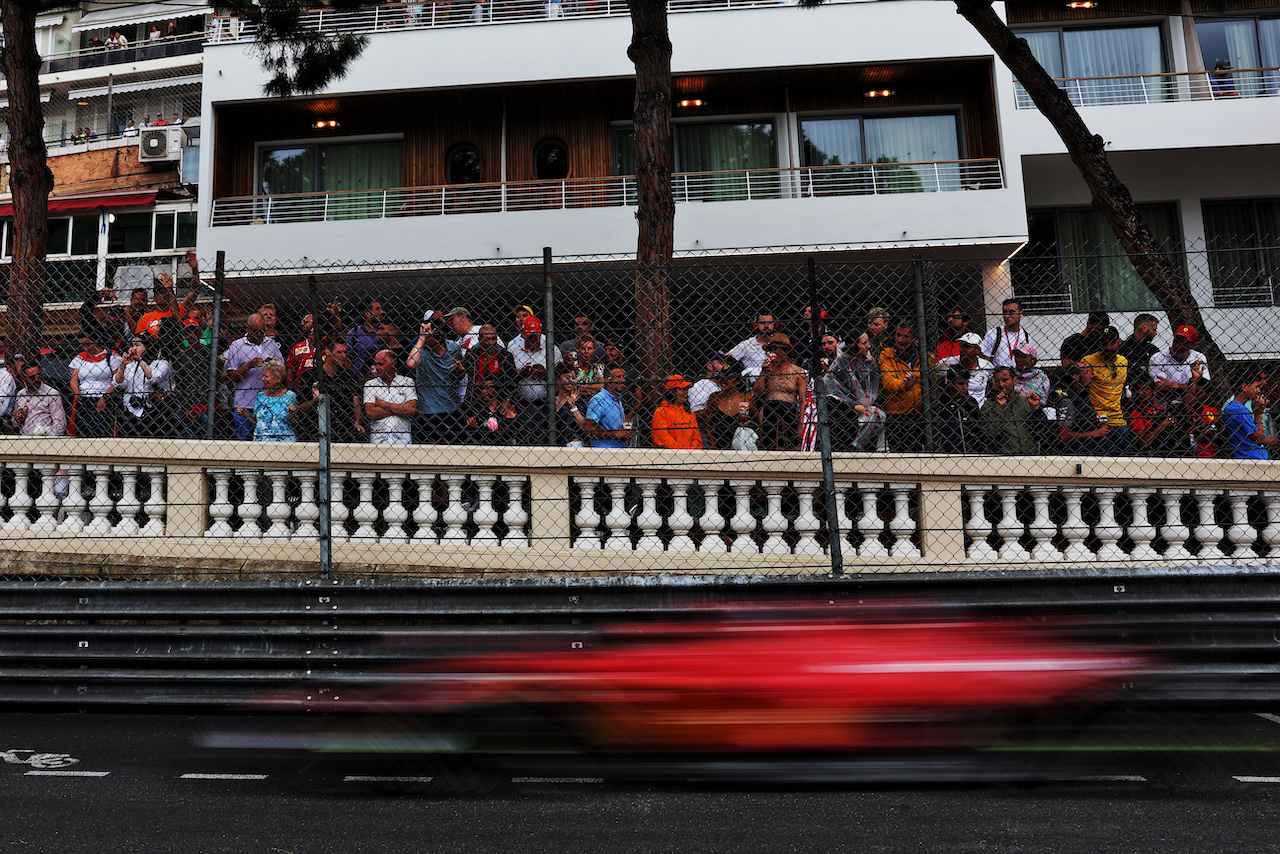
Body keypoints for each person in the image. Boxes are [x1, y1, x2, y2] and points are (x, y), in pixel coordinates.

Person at [222, 313, 285, 440]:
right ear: (247, 328)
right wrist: (249, 365)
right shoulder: (236, 345)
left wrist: (273, 365)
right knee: (243, 442)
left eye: (263, 330)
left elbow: (283, 371)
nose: (260, 334)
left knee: (269, 438)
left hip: (269, 402)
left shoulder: (271, 344)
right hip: (244, 403)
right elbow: (232, 376)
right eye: (256, 331)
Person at [407, 310, 465, 444]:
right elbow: (410, 363)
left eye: (429, 336)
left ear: (438, 338)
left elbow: (459, 375)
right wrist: (422, 338)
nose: (425, 338)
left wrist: (461, 370)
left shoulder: (454, 348)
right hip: (428, 410)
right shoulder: (421, 350)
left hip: (451, 406)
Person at [821, 333, 883, 451]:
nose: (869, 346)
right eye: (864, 343)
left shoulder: (869, 362)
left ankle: (860, 445)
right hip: (843, 413)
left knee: (876, 415)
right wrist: (853, 406)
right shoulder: (841, 363)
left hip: (866, 406)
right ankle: (853, 447)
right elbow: (831, 390)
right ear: (853, 346)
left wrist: (866, 404)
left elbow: (875, 385)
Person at [879, 321, 934, 453]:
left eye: (905, 337)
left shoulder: (926, 356)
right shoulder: (887, 355)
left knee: (918, 452)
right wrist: (905, 384)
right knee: (898, 453)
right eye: (898, 335)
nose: (899, 339)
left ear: (915, 338)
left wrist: (912, 377)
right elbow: (888, 381)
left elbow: (930, 376)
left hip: (920, 414)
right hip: (896, 414)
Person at [507, 315, 558, 443]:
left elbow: (562, 376)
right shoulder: (513, 351)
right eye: (530, 336)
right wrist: (520, 374)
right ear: (523, 334)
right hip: (521, 404)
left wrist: (546, 374)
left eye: (536, 335)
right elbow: (507, 378)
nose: (534, 338)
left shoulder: (551, 349)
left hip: (546, 404)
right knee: (522, 440)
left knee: (544, 440)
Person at [237, 360, 316, 442]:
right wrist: (247, 415)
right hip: (261, 442)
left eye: (266, 376)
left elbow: (298, 424)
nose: (262, 379)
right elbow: (258, 422)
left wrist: (294, 415)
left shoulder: (289, 397)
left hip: (284, 442)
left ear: (278, 378)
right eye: (263, 376)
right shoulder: (260, 397)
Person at [753, 333, 807, 451]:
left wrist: (801, 425)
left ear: (785, 350)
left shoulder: (798, 372)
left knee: (790, 448)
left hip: (790, 413)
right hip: (769, 412)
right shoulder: (768, 370)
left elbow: (803, 400)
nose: (775, 352)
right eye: (772, 349)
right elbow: (757, 392)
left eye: (777, 348)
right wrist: (764, 372)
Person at [1081, 325, 1130, 454]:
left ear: (1119, 342)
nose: (1108, 347)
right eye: (1104, 343)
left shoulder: (1123, 361)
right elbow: (1081, 390)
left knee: (1128, 456)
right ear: (1099, 343)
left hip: (1118, 418)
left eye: (1112, 343)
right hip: (1098, 418)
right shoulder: (1088, 361)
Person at [69, 324, 122, 438]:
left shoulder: (111, 357)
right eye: (83, 345)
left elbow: (117, 380)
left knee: (102, 432)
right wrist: (77, 393)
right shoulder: (80, 358)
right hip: (84, 399)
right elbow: (73, 379)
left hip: (104, 399)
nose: (86, 348)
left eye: (88, 344)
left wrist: (105, 397)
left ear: (96, 340)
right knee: (83, 432)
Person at [114, 334, 170, 438]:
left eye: (137, 345)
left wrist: (140, 360)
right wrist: (122, 365)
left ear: (148, 346)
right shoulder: (130, 365)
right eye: (132, 345)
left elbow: (153, 378)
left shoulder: (161, 363)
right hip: (130, 410)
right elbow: (118, 383)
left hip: (154, 412)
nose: (133, 348)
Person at [1220, 369, 1278, 460]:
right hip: (1251, 457)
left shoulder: (1240, 408)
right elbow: (1258, 438)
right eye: (1256, 387)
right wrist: (1258, 413)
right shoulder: (1236, 409)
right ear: (1244, 387)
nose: (1258, 390)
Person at [981, 366, 1039, 455]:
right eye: (997, 381)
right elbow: (990, 434)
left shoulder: (1024, 401)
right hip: (1004, 457)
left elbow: (1041, 429)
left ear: (1015, 381)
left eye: (1005, 380)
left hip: (1030, 455)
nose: (1000, 384)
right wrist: (998, 407)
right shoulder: (988, 405)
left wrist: (1035, 408)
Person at [363, 349, 416, 445]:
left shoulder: (406, 382)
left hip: (402, 441)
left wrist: (382, 404)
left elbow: (411, 410)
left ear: (392, 364)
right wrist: (400, 409)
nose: (376, 368)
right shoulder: (370, 384)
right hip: (378, 441)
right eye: (375, 364)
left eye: (381, 364)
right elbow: (371, 413)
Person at [1150, 325, 1210, 407]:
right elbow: (1161, 390)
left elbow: (1203, 389)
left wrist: (1172, 385)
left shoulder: (1199, 357)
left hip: (1191, 407)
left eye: (1183, 343)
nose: (1178, 345)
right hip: (1163, 409)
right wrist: (1192, 385)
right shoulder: (1158, 357)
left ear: (1193, 345)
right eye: (1176, 340)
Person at [703, 360, 756, 451]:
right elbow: (707, 426)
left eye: (727, 379)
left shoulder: (747, 398)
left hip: (743, 446)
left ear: (737, 381)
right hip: (720, 445)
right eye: (721, 378)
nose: (723, 381)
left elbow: (757, 423)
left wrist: (748, 424)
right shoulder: (714, 397)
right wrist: (714, 447)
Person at [318, 341, 364, 444]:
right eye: (339, 352)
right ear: (328, 352)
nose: (344, 356)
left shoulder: (349, 377)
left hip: (344, 428)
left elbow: (356, 403)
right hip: (319, 427)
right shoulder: (313, 375)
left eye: (345, 353)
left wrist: (357, 422)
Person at [1058, 363, 1109, 455]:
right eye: (1086, 372)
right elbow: (1064, 435)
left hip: (1094, 451)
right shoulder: (1068, 401)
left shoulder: (1084, 396)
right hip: (1078, 455)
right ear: (1076, 377)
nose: (1091, 375)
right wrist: (1094, 433)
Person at [1127, 375, 1182, 457]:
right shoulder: (1136, 413)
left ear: (1154, 391)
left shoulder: (1160, 409)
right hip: (1153, 453)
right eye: (1137, 390)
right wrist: (1164, 424)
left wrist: (1173, 421)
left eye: (1144, 389)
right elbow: (1143, 442)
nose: (1140, 393)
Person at [934, 366, 984, 454]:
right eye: (960, 384)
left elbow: (978, 430)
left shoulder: (971, 403)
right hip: (947, 454)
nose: (965, 387)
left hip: (971, 453)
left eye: (967, 383)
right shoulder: (940, 403)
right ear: (950, 383)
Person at [936, 332, 992, 405]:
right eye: (961, 346)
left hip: (979, 410)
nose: (962, 349)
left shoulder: (987, 366)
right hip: (953, 407)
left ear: (977, 350)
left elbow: (990, 385)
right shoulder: (946, 363)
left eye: (967, 347)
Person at [981, 299, 1038, 369]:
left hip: (1019, 375)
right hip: (998, 375)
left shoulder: (1027, 338)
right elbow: (984, 359)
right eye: (1004, 312)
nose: (1007, 316)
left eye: (1012, 312)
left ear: (1021, 314)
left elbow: (1031, 362)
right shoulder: (994, 334)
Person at [13, 363, 66, 437]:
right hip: (24, 437)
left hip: (44, 437)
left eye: (39, 375)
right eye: (32, 377)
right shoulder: (21, 394)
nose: (37, 379)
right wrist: (18, 418)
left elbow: (59, 422)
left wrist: (53, 439)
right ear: (23, 379)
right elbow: (15, 424)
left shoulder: (51, 393)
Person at [584, 366, 631, 449]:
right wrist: (614, 434)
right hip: (605, 451)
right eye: (618, 377)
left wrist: (624, 434)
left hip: (620, 449)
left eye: (624, 377)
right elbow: (589, 428)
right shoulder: (599, 399)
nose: (622, 380)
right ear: (607, 379)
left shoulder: (617, 400)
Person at [651, 375, 702, 450]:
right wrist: (681, 453)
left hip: (691, 457)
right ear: (672, 391)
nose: (686, 392)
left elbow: (697, 438)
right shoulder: (661, 412)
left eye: (686, 389)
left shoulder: (689, 413)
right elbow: (663, 438)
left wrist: (690, 452)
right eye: (682, 389)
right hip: (669, 457)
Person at [728, 312, 779, 380]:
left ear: (775, 325)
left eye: (769, 322)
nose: (766, 325)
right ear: (756, 325)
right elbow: (727, 359)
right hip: (755, 383)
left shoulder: (780, 342)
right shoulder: (746, 344)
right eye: (762, 323)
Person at [345, 298, 386, 376]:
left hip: (382, 377)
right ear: (367, 314)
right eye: (377, 309)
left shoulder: (385, 331)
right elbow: (348, 358)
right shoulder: (354, 333)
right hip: (359, 377)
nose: (382, 312)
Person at [1118, 313, 1159, 381]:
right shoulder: (1123, 349)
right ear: (1144, 328)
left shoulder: (1153, 350)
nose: (1156, 333)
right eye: (1154, 329)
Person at [554, 365, 588, 447]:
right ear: (558, 379)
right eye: (567, 377)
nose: (570, 381)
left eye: (573, 378)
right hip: (554, 442)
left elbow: (584, 424)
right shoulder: (550, 401)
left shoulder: (579, 401)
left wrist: (573, 407)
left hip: (573, 443)